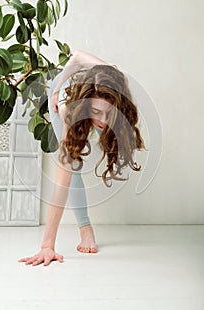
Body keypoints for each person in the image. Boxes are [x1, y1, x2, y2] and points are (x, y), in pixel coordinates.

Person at [18, 50, 145, 267]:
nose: (103, 121)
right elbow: (61, 183)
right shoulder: (67, 109)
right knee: (72, 166)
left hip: (90, 88)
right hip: (64, 95)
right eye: (96, 111)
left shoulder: (116, 79)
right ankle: (85, 229)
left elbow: (77, 56)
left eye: (109, 113)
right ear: (86, 106)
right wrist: (47, 246)